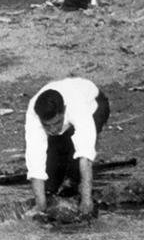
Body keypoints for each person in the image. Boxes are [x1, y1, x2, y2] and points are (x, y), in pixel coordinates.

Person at [25, 77, 110, 218]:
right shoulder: (34, 114)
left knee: (75, 171)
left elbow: (85, 156)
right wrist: (40, 204)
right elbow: (35, 158)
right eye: (47, 125)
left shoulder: (77, 106)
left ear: (64, 110)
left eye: (56, 123)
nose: (52, 129)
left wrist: (86, 199)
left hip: (95, 104)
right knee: (50, 183)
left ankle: (74, 184)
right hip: (66, 114)